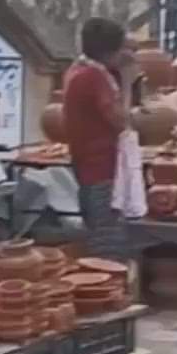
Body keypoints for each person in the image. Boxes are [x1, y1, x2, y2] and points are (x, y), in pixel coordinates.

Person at [62, 18, 136, 261]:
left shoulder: (76, 70)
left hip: (85, 165)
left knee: (98, 233)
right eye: (123, 48)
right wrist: (127, 80)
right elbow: (121, 120)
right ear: (110, 50)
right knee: (108, 242)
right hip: (102, 168)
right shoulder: (94, 77)